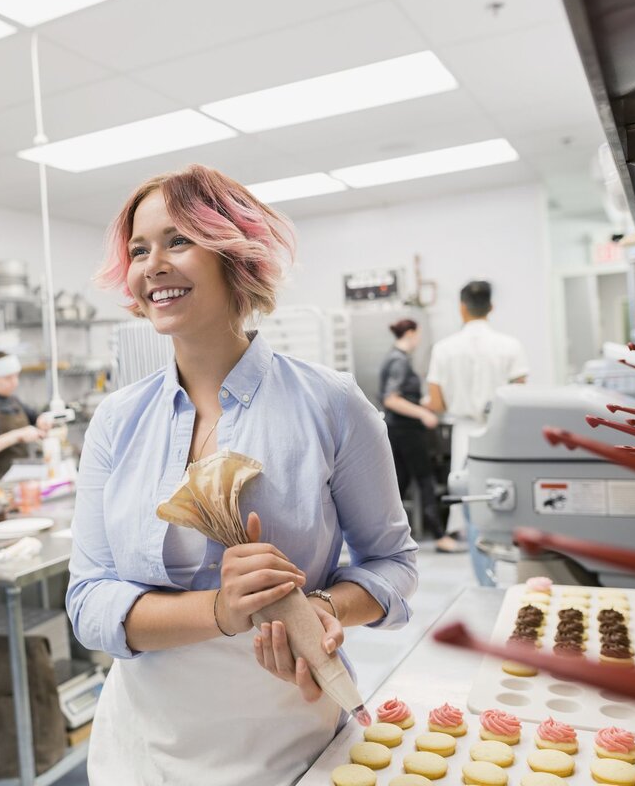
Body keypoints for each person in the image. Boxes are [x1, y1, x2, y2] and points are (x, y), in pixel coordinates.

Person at [66, 165, 418, 785]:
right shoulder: (117, 421)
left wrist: (317, 608)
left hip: (288, 732)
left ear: (234, 254)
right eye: (139, 250)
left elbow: (394, 566)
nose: (153, 266)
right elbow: (89, 600)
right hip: (142, 746)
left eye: (178, 241)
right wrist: (223, 611)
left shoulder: (331, 403)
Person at [425, 280, 528, 573]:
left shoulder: (444, 349)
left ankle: (485, 580)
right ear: (491, 307)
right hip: (501, 435)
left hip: (464, 437)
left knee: (472, 505)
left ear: (461, 308)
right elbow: (519, 395)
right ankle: (515, 576)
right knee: (508, 503)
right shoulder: (511, 346)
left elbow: (437, 402)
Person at [379, 318, 444, 541]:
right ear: (410, 333)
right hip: (406, 430)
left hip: (397, 429)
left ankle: (388, 535)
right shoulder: (399, 361)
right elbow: (391, 399)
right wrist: (423, 413)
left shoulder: (395, 358)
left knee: (400, 481)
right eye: (418, 334)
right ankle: (439, 534)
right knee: (425, 479)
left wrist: (420, 404)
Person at [0, 349, 53, 479]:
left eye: (16, 376)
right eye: (8, 378)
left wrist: (43, 420)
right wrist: (17, 435)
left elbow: (37, 417)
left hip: (24, 478)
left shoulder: (14, 401)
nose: (15, 382)